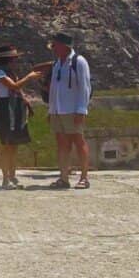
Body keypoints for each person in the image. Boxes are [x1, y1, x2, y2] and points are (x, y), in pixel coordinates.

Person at [47, 32, 92, 189]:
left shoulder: (78, 62)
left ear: (64, 46)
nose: (53, 48)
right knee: (61, 143)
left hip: (72, 109)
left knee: (78, 141)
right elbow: (54, 88)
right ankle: (63, 177)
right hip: (58, 110)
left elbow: (84, 87)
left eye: (55, 45)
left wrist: (81, 110)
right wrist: (51, 109)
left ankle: (84, 177)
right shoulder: (57, 63)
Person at [0, 45, 39, 189]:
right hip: (6, 108)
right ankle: (5, 178)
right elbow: (14, 87)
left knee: (13, 145)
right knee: (6, 145)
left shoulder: (10, 73)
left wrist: (25, 101)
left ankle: (12, 175)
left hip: (15, 107)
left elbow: (18, 90)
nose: (16, 62)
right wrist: (29, 77)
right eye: (14, 59)